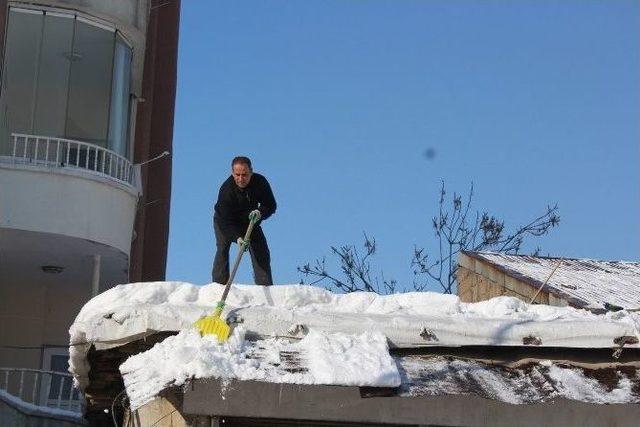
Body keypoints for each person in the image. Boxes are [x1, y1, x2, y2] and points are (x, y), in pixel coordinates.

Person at [212, 156, 276, 286]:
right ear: (232, 173)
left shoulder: (260, 182)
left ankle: (265, 285)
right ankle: (219, 286)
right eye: (237, 175)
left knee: (261, 250)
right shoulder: (226, 190)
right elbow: (225, 223)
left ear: (251, 172)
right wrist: (237, 238)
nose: (241, 179)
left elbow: (270, 205)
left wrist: (260, 212)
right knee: (222, 248)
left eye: (245, 175)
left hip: (251, 220)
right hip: (226, 223)